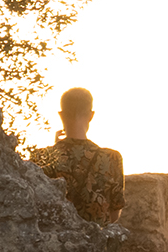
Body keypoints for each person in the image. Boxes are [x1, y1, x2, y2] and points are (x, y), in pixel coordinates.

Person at [30, 87, 125, 226]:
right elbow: (114, 215)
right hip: (95, 244)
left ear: (61, 115)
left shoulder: (41, 157)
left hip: (57, 243)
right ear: (91, 115)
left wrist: (55, 149)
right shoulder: (112, 158)